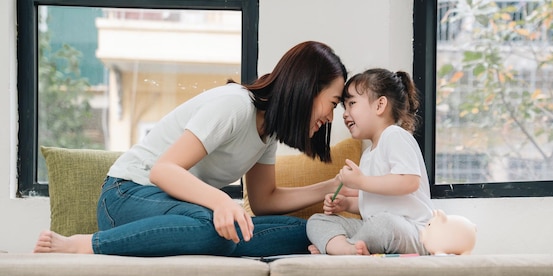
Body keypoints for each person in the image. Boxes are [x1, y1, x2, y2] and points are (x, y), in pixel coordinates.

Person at [34, 41, 347, 257]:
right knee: (215, 227)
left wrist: (330, 188)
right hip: (126, 196)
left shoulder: (268, 131)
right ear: (307, 87)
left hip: (177, 210)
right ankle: (88, 245)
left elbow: (265, 201)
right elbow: (163, 170)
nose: (330, 117)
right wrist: (222, 203)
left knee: (308, 229)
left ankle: (212, 239)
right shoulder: (235, 105)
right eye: (332, 103)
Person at [306, 68, 435, 255]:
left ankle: (338, 248)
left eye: (351, 103)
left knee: (383, 225)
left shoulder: (395, 135)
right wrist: (346, 205)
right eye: (344, 106)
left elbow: (409, 182)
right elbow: (374, 201)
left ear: (379, 105)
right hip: (373, 228)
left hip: (413, 231)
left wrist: (360, 182)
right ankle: (349, 250)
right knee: (318, 221)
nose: (344, 113)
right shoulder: (368, 154)